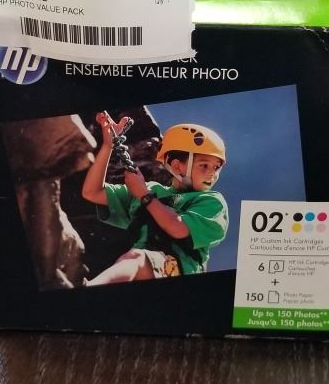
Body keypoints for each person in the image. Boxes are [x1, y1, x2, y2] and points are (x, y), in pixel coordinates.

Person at [81, 113, 229, 285]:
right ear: (176, 166)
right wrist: (108, 146)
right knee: (135, 258)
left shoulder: (211, 202)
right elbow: (92, 192)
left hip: (179, 271)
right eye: (204, 165)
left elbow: (178, 228)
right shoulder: (152, 190)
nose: (212, 173)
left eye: (216, 167)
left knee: (136, 257)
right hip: (146, 269)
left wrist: (144, 195)